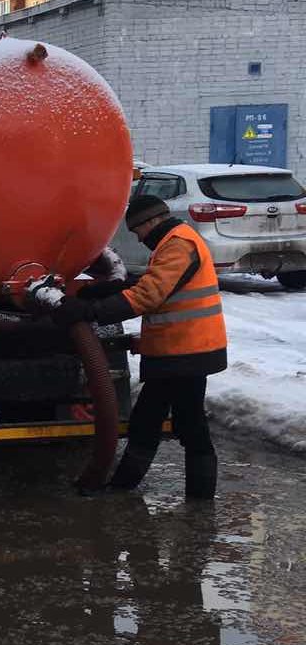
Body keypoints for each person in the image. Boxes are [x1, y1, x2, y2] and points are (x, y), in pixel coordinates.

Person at [53, 194, 227, 499]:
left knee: (189, 424)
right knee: (150, 419)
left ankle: (197, 499)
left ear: (151, 221)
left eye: (138, 231)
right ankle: (124, 486)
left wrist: (90, 311)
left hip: (187, 352)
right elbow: (157, 287)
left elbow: (149, 295)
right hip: (177, 351)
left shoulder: (179, 243)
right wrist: (109, 289)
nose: (139, 238)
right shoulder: (173, 241)